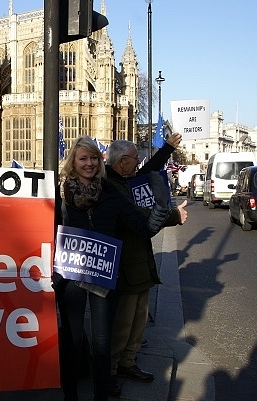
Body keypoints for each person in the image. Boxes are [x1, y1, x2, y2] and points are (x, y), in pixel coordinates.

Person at [53, 136, 171, 401]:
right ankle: (70, 396)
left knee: (102, 344)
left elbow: (144, 228)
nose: (89, 163)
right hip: (70, 278)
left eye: (94, 158)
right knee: (72, 342)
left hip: (104, 276)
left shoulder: (111, 193)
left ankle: (101, 397)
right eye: (83, 158)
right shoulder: (59, 194)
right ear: (73, 161)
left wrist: (162, 206)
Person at [105, 137, 188, 395]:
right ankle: (110, 371)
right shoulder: (111, 187)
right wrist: (173, 216)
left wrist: (167, 149)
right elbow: (138, 217)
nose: (137, 164)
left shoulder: (127, 179)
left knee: (138, 320)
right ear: (122, 163)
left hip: (139, 263)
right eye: (133, 160)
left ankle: (128, 362)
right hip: (124, 266)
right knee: (122, 324)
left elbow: (148, 171)